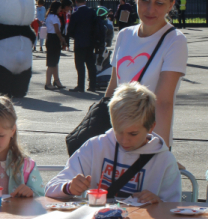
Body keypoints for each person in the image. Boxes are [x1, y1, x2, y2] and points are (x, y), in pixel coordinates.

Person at [47, 82, 181, 203]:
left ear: (151, 127)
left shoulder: (164, 160)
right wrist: (69, 187)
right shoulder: (95, 147)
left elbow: (174, 208)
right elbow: (51, 188)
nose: (124, 140)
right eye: (118, 131)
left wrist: (158, 203)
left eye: (133, 134)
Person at [106, 0, 188, 147]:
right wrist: (105, 140)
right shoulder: (124, 35)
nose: (151, 9)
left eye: (160, 3)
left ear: (171, 5)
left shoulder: (175, 41)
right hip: (117, 139)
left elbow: (163, 102)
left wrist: (159, 151)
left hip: (147, 141)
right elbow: (112, 89)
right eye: (145, 0)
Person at [67, 0, 102, 93]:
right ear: (85, 2)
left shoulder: (75, 15)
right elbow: (97, 26)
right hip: (90, 41)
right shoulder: (92, 12)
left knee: (80, 65)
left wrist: (75, 36)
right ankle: (92, 85)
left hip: (79, 42)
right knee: (91, 64)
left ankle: (80, 85)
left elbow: (70, 30)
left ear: (76, 2)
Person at [44, 1, 67, 90]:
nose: (60, 9)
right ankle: (48, 83)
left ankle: (57, 80)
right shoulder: (54, 17)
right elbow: (57, 30)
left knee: (54, 62)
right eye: (59, 7)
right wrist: (62, 39)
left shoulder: (49, 16)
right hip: (54, 39)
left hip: (50, 38)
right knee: (52, 63)